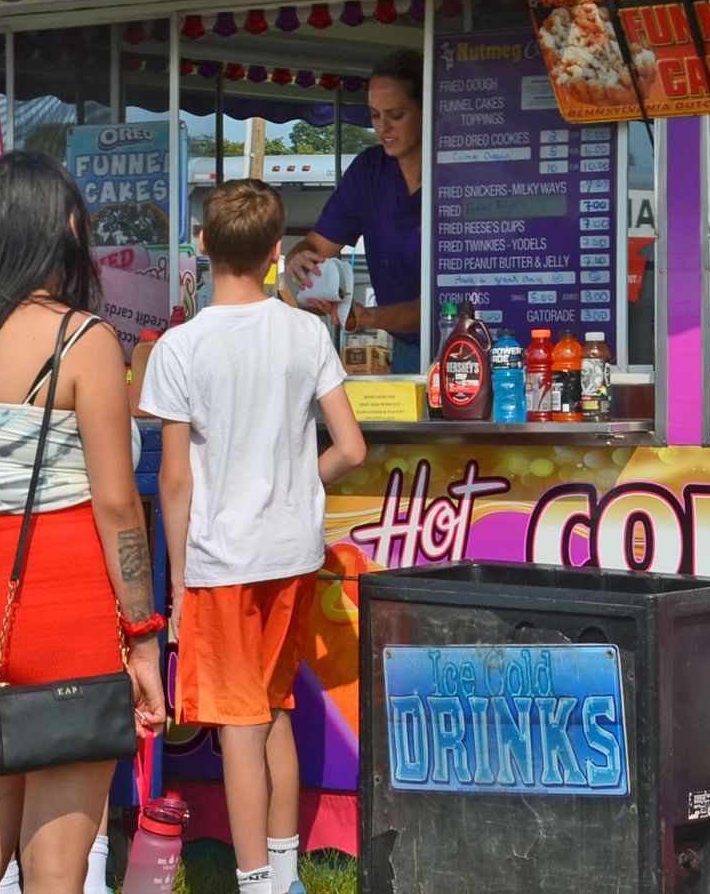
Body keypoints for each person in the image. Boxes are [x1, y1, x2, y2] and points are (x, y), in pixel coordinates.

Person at [0, 151, 166, 894]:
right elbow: (118, 504)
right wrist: (144, 637)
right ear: (63, 230)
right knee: (56, 863)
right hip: (61, 603)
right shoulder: (82, 341)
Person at [142, 180, 365, 894]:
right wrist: (304, 485)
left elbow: (174, 480)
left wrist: (176, 578)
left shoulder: (181, 347)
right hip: (293, 555)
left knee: (240, 725)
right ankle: (286, 873)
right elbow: (352, 448)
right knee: (271, 711)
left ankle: (254, 880)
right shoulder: (306, 332)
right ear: (276, 253)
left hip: (221, 560)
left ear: (202, 246)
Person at [285, 50, 425, 372]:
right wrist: (301, 262)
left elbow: (447, 304)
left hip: (472, 345)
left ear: (426, 110)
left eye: (396, 115)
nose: (383, 127)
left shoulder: (459, 171)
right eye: (375, 115)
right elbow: (316, 246)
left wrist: (367, 316)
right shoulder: (369, 169)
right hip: (408, 349)